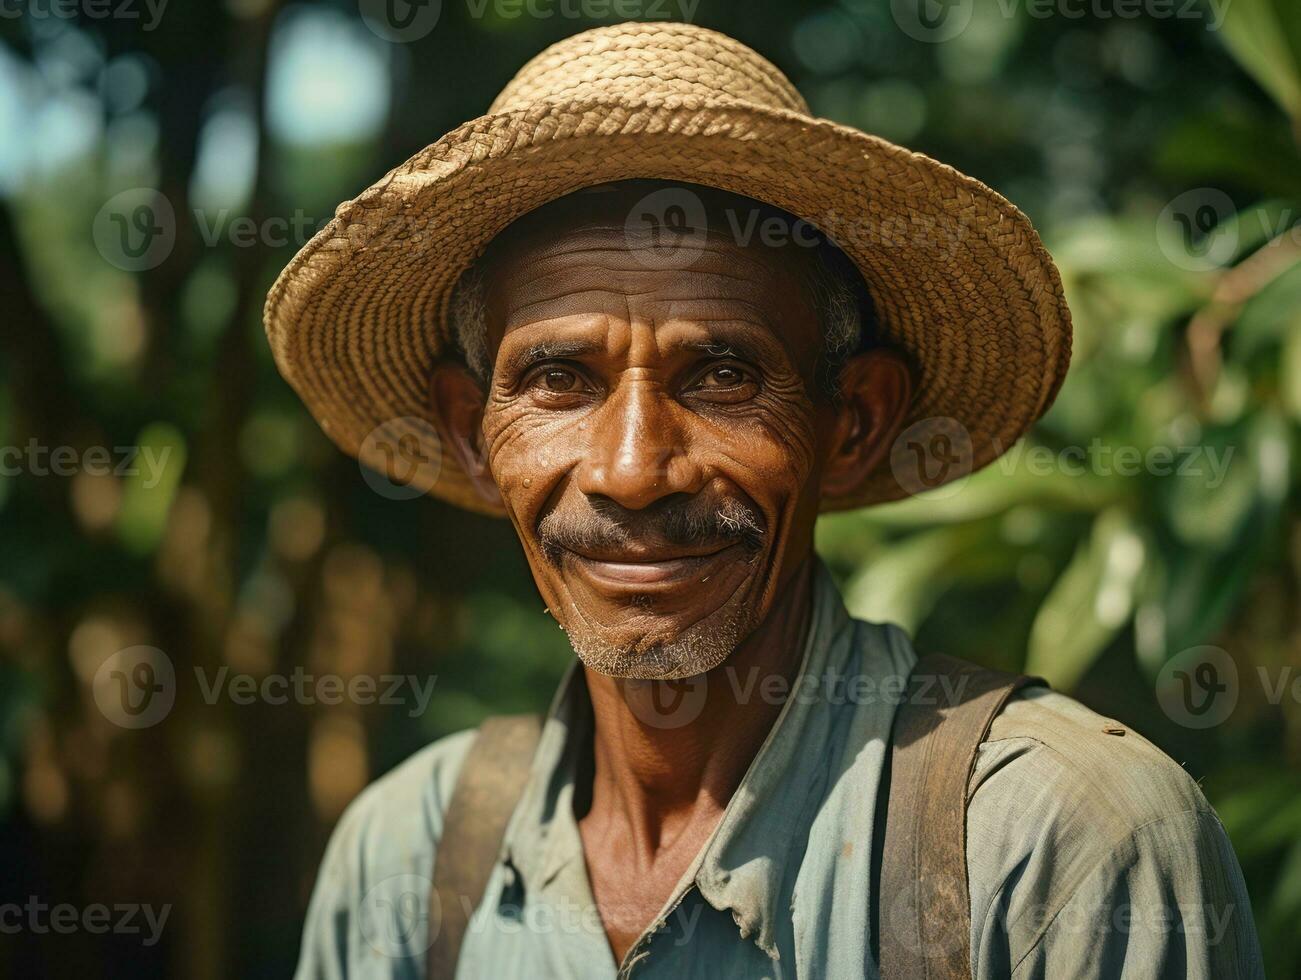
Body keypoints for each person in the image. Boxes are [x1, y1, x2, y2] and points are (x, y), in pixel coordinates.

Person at [265, 22, 1262, 980]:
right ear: (469, 435)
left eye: (723, 375)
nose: (630, 469)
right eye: (560, 379)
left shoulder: (1059, 847)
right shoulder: (407, 859)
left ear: (854, 420)